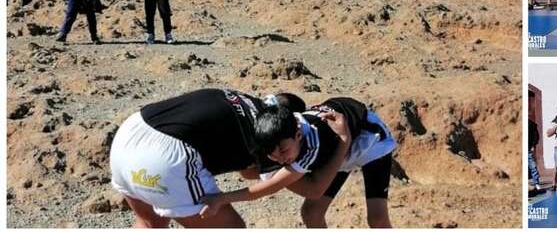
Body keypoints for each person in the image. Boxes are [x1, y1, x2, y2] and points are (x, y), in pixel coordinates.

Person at [110, 89, 350, 228]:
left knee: (150, 224)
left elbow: (244, 169)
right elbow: (310, 190)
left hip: (127, 136)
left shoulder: (244, 101)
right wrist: (343, 143)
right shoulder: (271, 136)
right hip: (165, 158)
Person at [199, 97, 397, 228]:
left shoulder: (313, 143)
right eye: (272, 155)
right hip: (335, 149)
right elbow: (251, 174)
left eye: (284, 151)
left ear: (298, 134)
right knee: (312, 213)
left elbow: (311, 190)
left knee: (377, 218)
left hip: (369, 140)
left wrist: (344, 140)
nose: (280, 159)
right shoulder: (274, 138)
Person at [529, 118, 542, 191]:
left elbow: (536, 135)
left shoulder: (531, 123)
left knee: (533, 167)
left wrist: (533, 145)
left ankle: (537, 183)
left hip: (528, 149)